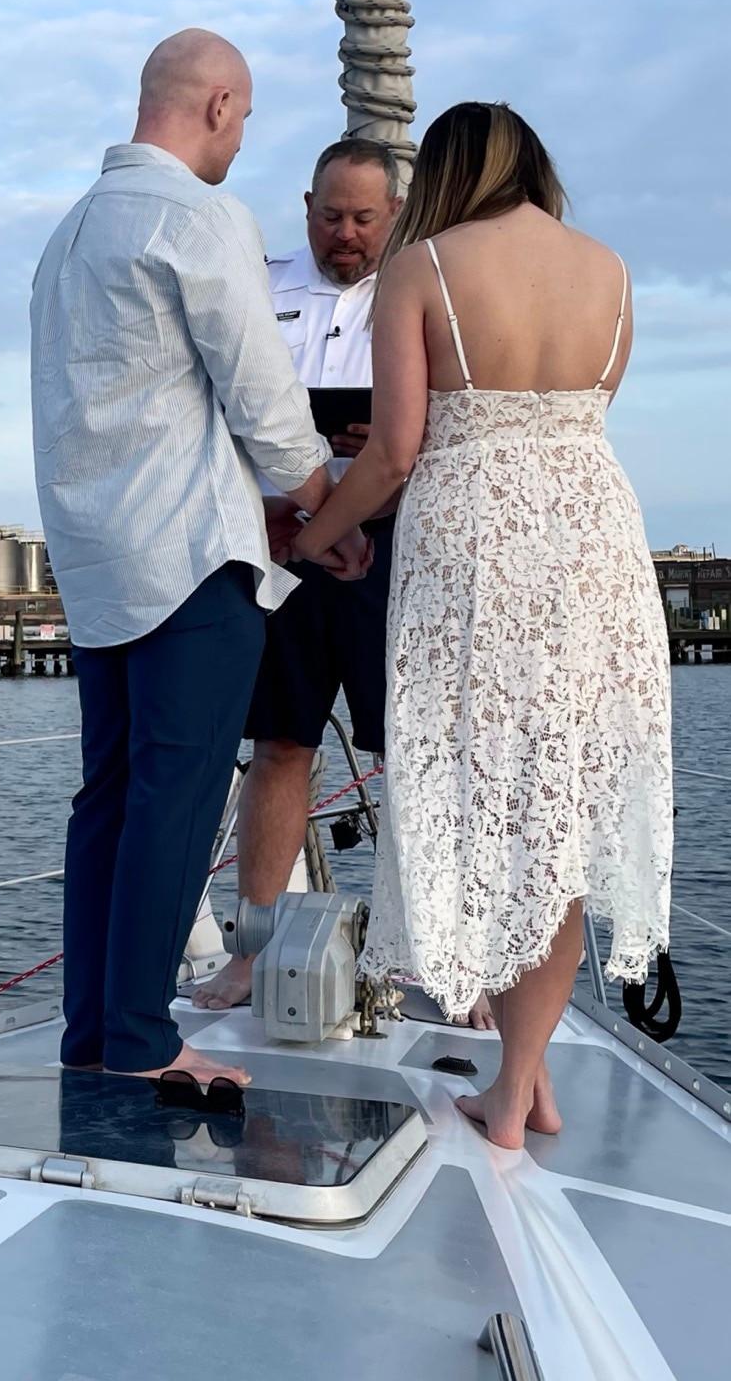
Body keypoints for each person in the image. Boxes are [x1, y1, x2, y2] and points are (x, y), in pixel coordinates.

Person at [291, 102, 672, 1148]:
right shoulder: (611, 271)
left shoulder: (421, 268)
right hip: (592, 534)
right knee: (560, 802)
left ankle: (510, 1095)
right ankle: (526, 1078)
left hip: (474, 544)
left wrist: (315, 533)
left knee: (487, 795)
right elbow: (581, 419)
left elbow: (395, 450)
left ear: (446, 176)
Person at [30, 28, 368, 1087]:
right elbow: (258, 388)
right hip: (189, 563)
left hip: (97, 554)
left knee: (109, 798)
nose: (243, 134)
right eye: (248, 114)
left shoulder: (68, 234)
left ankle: (91, 1030)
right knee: (174, 797)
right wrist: (323, 505)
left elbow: (124, 409)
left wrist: (253, 500)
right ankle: (138, 1041)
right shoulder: (199, 216)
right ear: (218, 104)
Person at [193, 137, 409, 1016]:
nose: (344, 235)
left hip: (384, 546)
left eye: (362, 218)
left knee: (406, 754)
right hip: (277, 543)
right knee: (279, 744)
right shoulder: (259, 283)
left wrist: (389, 447)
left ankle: (421, 957)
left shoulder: (419, 291)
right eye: (329, 215)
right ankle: (253, 951)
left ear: (392, 215)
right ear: (305, 206)